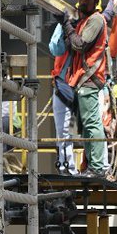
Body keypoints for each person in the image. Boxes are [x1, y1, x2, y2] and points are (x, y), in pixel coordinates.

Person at [59, 0, 111, 177]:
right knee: (85, 126)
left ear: (96, 0)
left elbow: (80, 45)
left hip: (89, 79)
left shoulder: (96, 20)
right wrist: (67, 27)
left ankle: (97, 167)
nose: (82, 2)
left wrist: (67, 25)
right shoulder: (84, 22)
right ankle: (92, 166)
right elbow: (70, 45)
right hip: (81, 80)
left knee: (92, 124)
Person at [48, 20, 78, 175]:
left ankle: (69, 167)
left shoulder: (91, 26)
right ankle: (67, 167)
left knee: (70, 130)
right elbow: (55, 48)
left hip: (77, 85)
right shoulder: (66, 27)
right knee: (65, 130)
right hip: (64, 85)